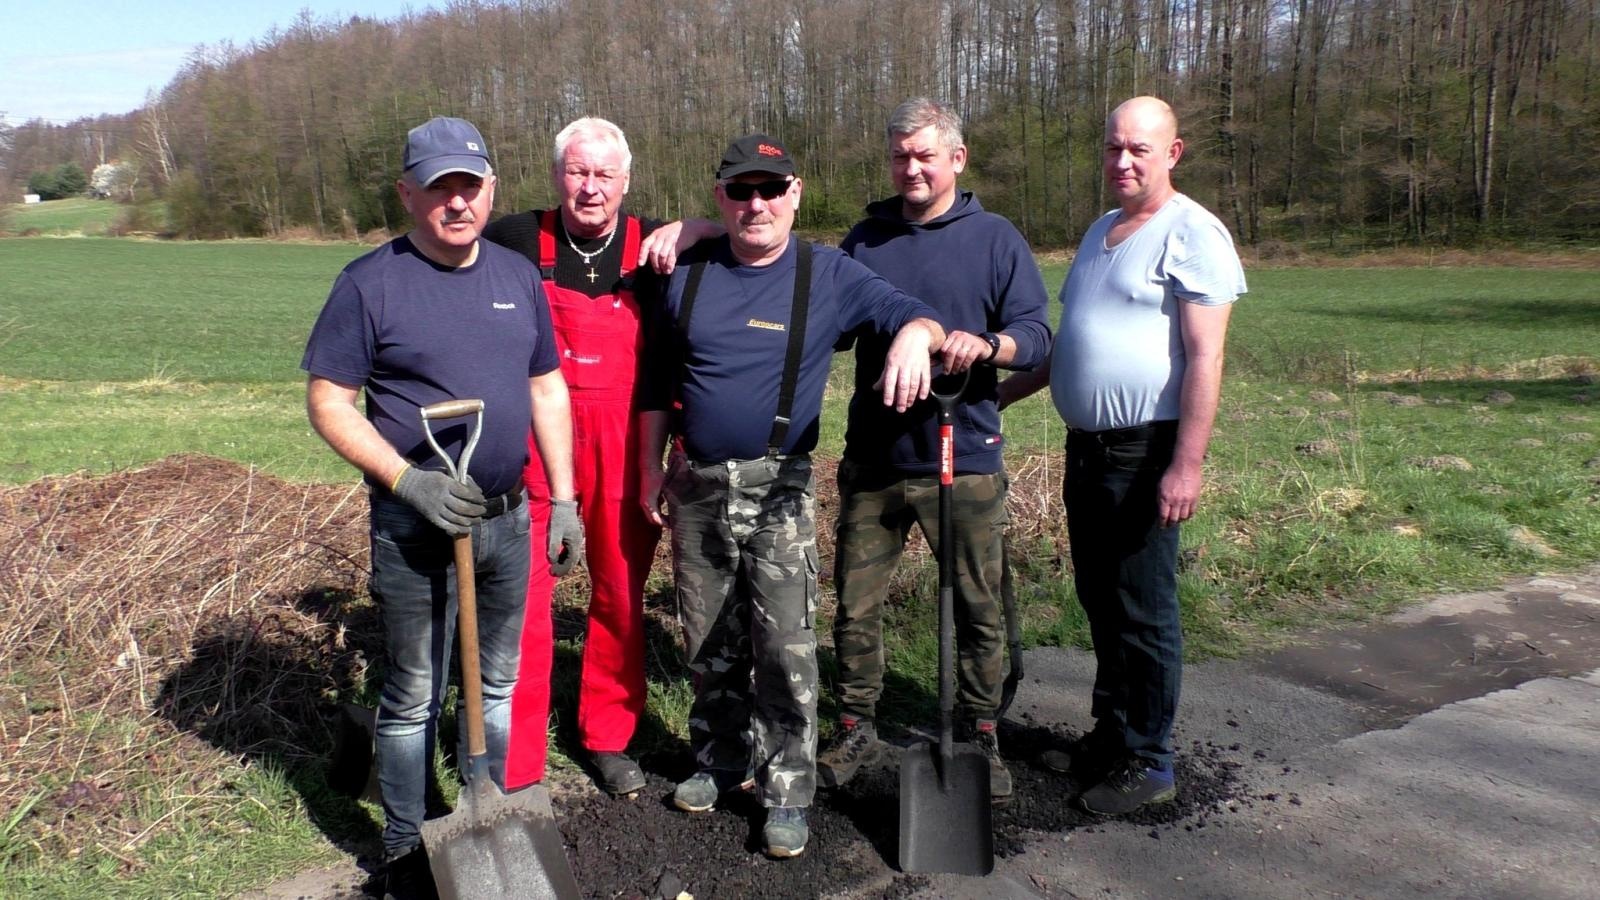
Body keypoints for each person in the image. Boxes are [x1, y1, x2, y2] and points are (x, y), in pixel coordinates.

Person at [637, 133, 947, 859]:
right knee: (707, 639)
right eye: (740, 190)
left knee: (783, 644)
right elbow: (656, 382)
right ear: (719, 197)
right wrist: (651, 466)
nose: (756, 204)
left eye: (771, 189)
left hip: (779, 485)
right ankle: (719, 760)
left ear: (795, 194)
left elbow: (917, 315)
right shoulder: (686, 274)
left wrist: (913, 340)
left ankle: (786, 790)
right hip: (696, 484)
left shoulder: (828, 273)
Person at [301, 116, 583, 890]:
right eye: (439, 189)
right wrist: (407, 480)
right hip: (415, 524)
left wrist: (564, 498)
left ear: (490, 187)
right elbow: (329, 401)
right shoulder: (369, 283)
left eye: (470, 186)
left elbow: (544, 385)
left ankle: (478, 813)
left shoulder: (515, 275)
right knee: (414, 690)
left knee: (495, 683)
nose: (457, 204)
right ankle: (401, 840)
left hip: (506, 520)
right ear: (408, 194)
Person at [998, 96, 1246, 815]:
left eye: (1139, 148)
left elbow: (1207, 357)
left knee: (1143, 608)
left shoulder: (1192, 232)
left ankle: (1150, 760)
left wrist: (1186, 465)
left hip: (1145, 451)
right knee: (1100, 601)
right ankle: (1111, 735)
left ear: (1174, 152)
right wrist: (1002, 396)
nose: (1123, 161)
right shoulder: (1101, 232)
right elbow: (1074, 342)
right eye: (1113, 148)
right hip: (1087, 450)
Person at [820, 98, 1051, 805]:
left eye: (925, 155)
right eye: (900, 156)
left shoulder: (995, 238)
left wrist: (987, 346)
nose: (911, 168)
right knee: (856, 606)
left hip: (965, 455)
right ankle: (858, 723)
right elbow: (827, 327)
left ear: (957, 157)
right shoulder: (867, 239)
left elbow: (1037, 334)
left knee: (978, 605)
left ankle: (982, 732)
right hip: (875, 457)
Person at [483, 117, 719, 797]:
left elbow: (747, 238)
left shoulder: (655, 247)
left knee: (619, 595)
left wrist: (695, 225)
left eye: (604, 175)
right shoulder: (515, 240)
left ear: (626, 179)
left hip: (628, 438)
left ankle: (607, 736)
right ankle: (514, 755)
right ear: (557, 174)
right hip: (537, 439)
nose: (590, 188)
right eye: (577, 173)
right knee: (522, 598)